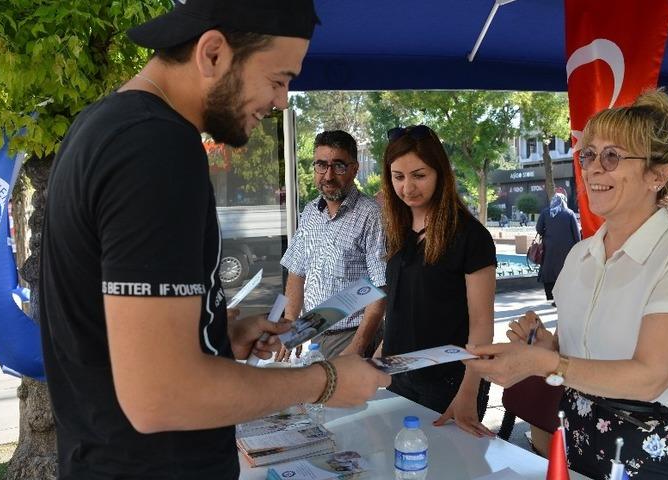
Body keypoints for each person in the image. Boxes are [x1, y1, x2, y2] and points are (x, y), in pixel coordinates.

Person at [38, 3, 390, 479]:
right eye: (279, 78)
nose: (282, 101)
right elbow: (160, 394)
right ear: (213, 53)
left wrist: (215, 338)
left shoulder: (105, 126)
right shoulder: (155, 147)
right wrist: (322, 381)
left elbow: (109, 337)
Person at [466, 91, 668, 479]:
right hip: (578, 432)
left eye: (612, 156)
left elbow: (652, 376)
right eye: (588, 155)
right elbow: (581, 353)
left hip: (657, 448)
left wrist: (548, 363)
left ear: (658, 175)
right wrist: (547, 346)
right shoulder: (580, 255)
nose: (592, 170)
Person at [377, 124, 496, 438]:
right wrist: (374, 365)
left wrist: (469, 391)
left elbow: (482, 324)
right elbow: (399, 309)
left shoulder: (471, 237)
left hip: (449, 383)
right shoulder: (397, 231)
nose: (408, 188)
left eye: (419, 175)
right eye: (398, 177)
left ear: (440, 173)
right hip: (396, 376)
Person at [278, 130, 387, 360]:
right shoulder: (310, 213)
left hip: (353, 337)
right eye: (321, 165)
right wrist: (292, 327)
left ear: (354, 169)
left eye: (338, 166)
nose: (328, 176)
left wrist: (357, 347)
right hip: (316, 335)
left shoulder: (371, 215)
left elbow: (380, 289)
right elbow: (296, 272)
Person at [535, 192, 580, 305]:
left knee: (551, 273)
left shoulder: (546, 213)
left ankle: (554, 298)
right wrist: (578, 247)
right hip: (567, 250)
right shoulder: (569, 213)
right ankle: (566, 298)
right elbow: (576, 233)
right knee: (565, 272)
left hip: (549, 249)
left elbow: (539, 229)